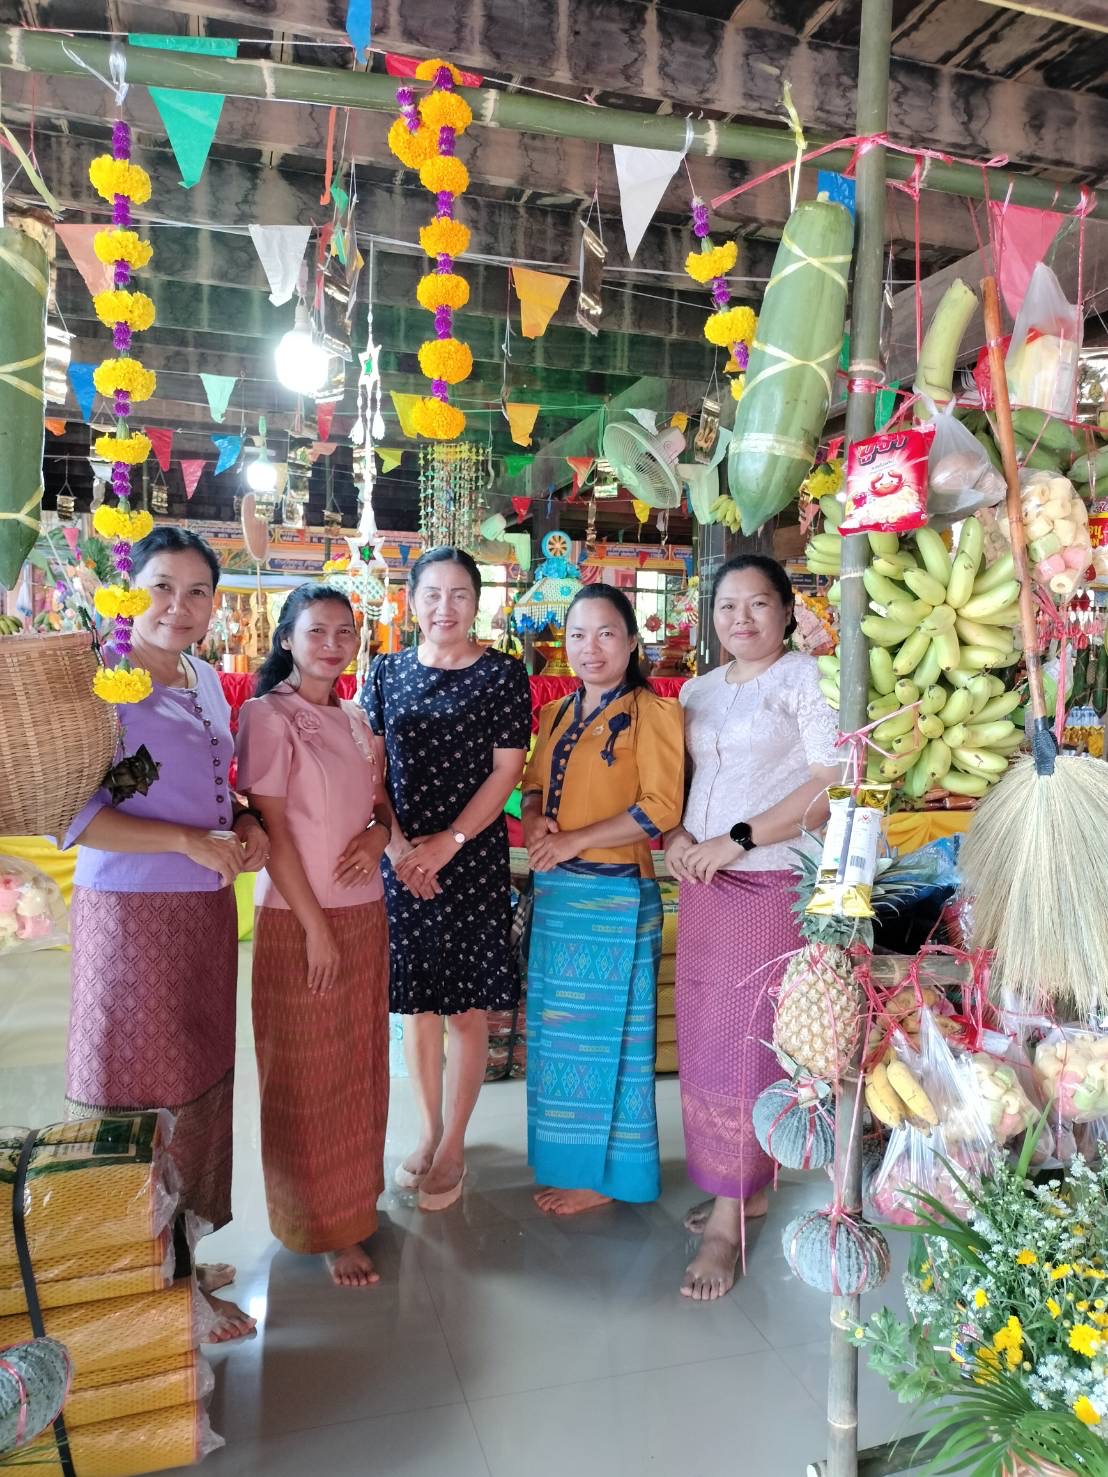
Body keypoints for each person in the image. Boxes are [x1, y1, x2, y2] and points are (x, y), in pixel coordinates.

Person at [64, 526, 268, 1342]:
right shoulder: (101, 681)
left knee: (196, 1084)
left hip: (205, 911)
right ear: (129, 590)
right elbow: (74, 816)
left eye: (196, 591)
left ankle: (178, 1252)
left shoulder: (204, 678)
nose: (177, 606)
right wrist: (186, 841)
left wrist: (244, 823)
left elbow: (218, 787)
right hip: (131, 914)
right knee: (140, 1094)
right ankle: (148, 1276)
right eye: (160, 586)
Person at [665, 555, 841, 1301]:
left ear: (787, 610)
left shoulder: (806, 679)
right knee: (708, 1033)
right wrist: (678, 834)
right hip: (703, 883)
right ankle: (746, 1183)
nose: (741, 618)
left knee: (750, 1039)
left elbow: (832, 779)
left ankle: (727, 1223)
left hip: (769, 880)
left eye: (758, 604)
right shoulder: (696, 690)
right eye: (728, 605)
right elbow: (678, 781)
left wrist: (737, 839)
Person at [364, 548, 531, 1211]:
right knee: (418, 1005)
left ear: (477, 603)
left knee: (465, 1007)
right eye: (432, 593)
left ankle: (456, 1142)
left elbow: (507, 770)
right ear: (411, 601)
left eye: (460, 594)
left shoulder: (502, 674)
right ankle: (427, 1131)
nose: (445, 607)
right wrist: (401, 849)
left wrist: (448, 844)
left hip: (471, 855)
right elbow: (370, 770)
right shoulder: (386, 671)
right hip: (402, 858)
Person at [237, 584, 392, 1288]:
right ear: (287, 639)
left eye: (344, 632)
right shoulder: (269, 716)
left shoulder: (356, 716)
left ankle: (354, 1205)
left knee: (359, 1066)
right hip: (300, 919)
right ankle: (319, 1226)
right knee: (305, 1076)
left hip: (365, 914)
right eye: (316, 631)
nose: (332, 644)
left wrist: (380, 836)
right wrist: (315, 929)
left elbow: (379, 807)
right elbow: (270, 829)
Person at [521, 584, 684, 1215]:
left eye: (606, 633)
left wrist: (573, 840)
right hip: (560, 895)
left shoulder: (655, 713)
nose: (591, 648)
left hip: (617, 896)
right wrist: (535, 821)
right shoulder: (555, 714)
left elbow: (660, 809)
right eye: (578, 634)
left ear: (632, 641)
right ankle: (570, 1159)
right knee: (562, 1038)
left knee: (615, 1039)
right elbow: (532, 787)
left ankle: (611, 1177)